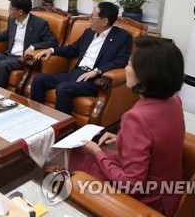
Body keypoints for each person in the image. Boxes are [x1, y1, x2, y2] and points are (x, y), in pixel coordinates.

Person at [68, 37, 185, 216]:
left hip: (148, 198)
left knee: (77, 154)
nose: (125, 69)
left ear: (144, 74)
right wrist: (122, 139)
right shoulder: (173, 99)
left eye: (129, 64)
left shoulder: (136, 118)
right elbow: (156, 138)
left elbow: (131, 185)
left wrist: (96, 152)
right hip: (171, 191)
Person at [30, 2, 132, 114]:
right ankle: (36, 115)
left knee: (63, 88)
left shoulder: (122, 37)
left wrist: (97, 71)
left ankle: (63, 126)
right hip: (75, 73)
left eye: (92, 17)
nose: (90, 20)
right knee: (39, 79)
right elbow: (72, 49)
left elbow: (122, 61)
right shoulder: (88, 33)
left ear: (104, 21)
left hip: (93, 80)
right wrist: (51, 50)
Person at [0, 0, 57, 88]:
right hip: (8, 54)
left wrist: (33, 47)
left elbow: (53, 42)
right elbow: (8, 33)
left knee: (3, 65)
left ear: (20, 12)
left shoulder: (39, 24)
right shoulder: (12, 19)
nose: (9, 11)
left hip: (21, 59)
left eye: (11, 9)